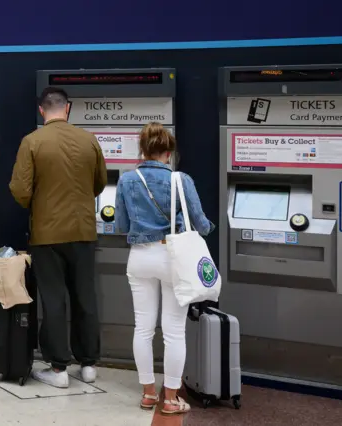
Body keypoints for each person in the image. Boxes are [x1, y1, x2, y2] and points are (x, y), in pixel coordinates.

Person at [9, 87, 107, 388]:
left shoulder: (32, 142)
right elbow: (100, 183)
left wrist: (39, 205)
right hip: (83, 231)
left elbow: (19, 189)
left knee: (53, 300)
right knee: (85, 297)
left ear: (42, 111)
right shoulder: (89, 140)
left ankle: (59, 369)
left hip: (47, 234)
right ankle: (88, 364)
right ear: (68, 108)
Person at [114, 122, 214, 415]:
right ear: (168, 153)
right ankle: (170, 399)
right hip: (172, 259)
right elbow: (201, 223)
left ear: (143, 150)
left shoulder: (127, 180)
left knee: (142, 328)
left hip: (140, 258)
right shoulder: (181, 180)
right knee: (173, 332)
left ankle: (147, 394)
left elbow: (120, 225)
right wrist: (203, 229)